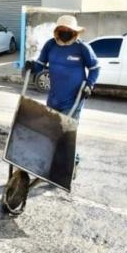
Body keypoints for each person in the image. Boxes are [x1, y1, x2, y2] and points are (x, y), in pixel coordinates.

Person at [26, 15, 100, 169]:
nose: (65, 32)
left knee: (66, 134)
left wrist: (90, 84)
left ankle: (72, 163)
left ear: (74, 32)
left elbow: (95, 67)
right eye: (62, 29)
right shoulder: (50, 45)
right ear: (57, 31)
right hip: (54, 98)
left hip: (74, 99)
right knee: (53, 131)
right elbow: (40, 64)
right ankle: (55, 163)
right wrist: (32, 66)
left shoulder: (82, 47)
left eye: (69, 30)